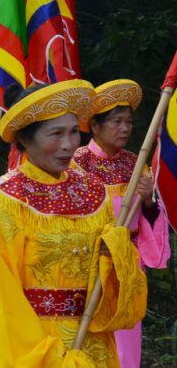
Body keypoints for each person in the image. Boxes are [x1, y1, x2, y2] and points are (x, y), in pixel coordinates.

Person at [0, 80, 147, 367]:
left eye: (74, 132)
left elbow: (117, 273)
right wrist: (43, 357)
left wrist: (115, 253)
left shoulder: (95, 191)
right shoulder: (3, 200)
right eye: (56, 134)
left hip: (94, 340)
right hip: (38, 345)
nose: (68, 145)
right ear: (25, 140)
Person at [72, 80, 170, 368]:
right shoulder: (75, 165)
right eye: (117, 122)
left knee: (126, 341)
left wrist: (148, 200)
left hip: (126, 265)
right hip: (88, 266)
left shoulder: (136, 165)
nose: (125, 128)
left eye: (128, 121)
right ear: (96, 126)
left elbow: (151, 217)